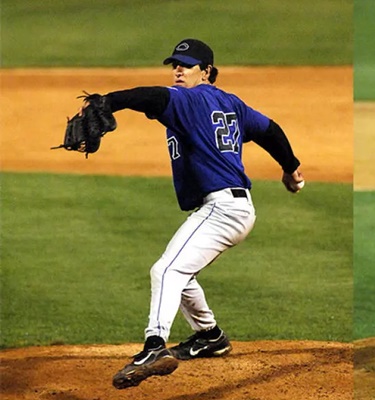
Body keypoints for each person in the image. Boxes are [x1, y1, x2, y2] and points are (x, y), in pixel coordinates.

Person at [82, 38, 305, 389]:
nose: (178, 70)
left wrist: (110, 101)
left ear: (207, 71)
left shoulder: (189, 99)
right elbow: (270, 131)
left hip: (223, 209)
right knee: (181, 272)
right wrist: (291, 168)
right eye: (175, 64)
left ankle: (154, 346)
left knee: (166, 270)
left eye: (186, 65)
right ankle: (209, 336)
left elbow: (153, 97)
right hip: (231, 207)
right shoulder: (230, 103)